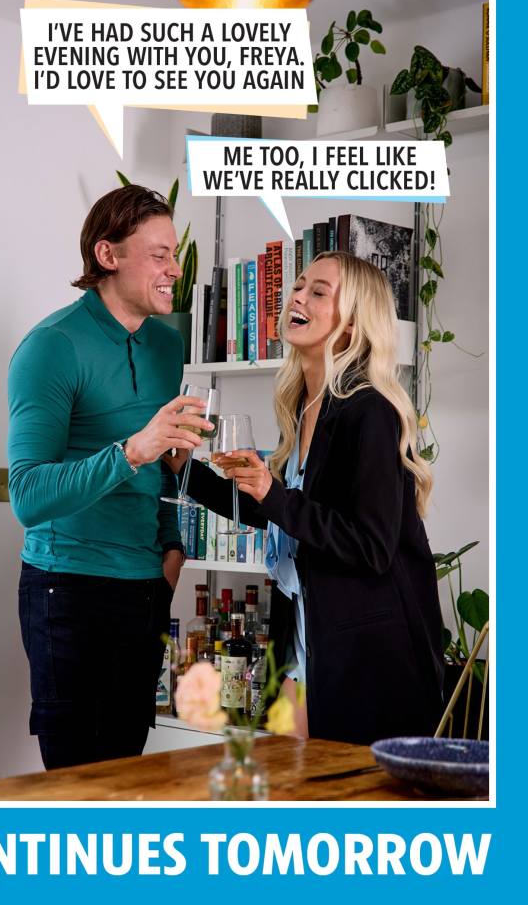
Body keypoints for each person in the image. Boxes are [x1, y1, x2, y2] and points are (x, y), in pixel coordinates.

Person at [167, 251, 445, 745]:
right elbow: (283, 516)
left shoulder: (370, 412)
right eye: (297, 286)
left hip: (369, 659)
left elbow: (371, 546)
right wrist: (184, 468)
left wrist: (274, 494)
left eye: (318, 291)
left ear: (353, 320)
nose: (296, 296)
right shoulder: (305, 406)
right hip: (309, 645)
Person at [7, 184, 212, 769]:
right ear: (108, 255)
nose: (175, 269)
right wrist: (130, 451)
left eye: (175, 253)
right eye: (159, 255)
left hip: (145, 588)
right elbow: (27, 495)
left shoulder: (167, 346)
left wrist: (171, 546)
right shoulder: (52, 347)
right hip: (66, 589)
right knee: (75, 787)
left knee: (127, 778)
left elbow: (167, 463)